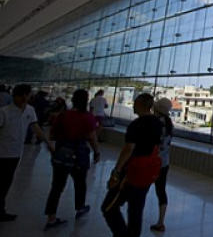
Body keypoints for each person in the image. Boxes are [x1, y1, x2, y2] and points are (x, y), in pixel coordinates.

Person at [102, 94, 163, 237]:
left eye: (135, 103)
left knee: (109, 207)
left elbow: (129, 149)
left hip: (130, 172)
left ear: (141, 104)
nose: (133, 106)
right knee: (136, 209)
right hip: (147, 170)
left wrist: (116, 171)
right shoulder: (158, 124)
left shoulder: (136, 124)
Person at [43, 89, 101, 230]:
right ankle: (80, 208)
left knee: (57, 186)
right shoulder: (88, 117)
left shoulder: (63, 115)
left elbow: (53, 135)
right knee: (80, 183)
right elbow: (92, 136)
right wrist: (97, 152)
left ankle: (51, 217)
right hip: (80, 155)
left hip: (62, 154)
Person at [0, 84, 52, 221]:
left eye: (27, 95)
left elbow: (35, 126)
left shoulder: (30, 110)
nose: (24, 98)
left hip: (16, 153)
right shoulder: (4, 112)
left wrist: (47, 142)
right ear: (14, 96)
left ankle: (1, 210)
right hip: (2, 153)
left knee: (6, 182)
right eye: (21, 95)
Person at [149, 97, 173, 232]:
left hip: (151, 163)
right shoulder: (169, 125)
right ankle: (161, 222)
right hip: (164, 163)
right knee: (161, 191)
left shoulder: (156, 125)